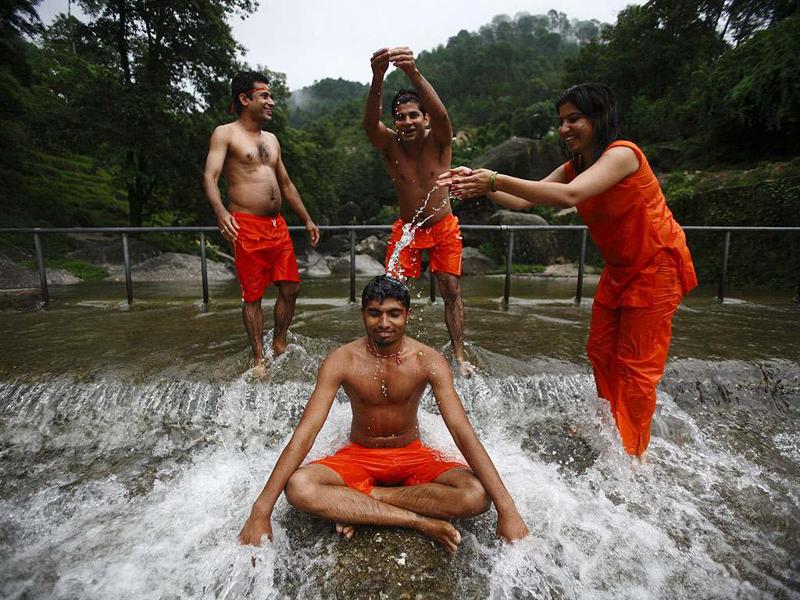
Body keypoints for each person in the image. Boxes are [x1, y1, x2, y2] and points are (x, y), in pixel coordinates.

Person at [438, 83, 697, 461]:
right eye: (561, 121)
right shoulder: (576, 165)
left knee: (636, 365)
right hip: (620, 269)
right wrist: (478, 183)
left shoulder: (623, 155)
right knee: (601, 351)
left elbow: (570, 196)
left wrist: (495, 178)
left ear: (598, 118)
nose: (565, 129)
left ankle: (631, 454)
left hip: (657, 266)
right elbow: (524, 200)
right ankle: (612, 425)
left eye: (574, 119)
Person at [238, 275, 529, 552]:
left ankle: (361, 503)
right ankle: (417, 521)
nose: (384, 323)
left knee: (476, 495)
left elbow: (461, 430)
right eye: (375, 313)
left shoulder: (428, 360)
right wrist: (260, 509)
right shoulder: (341, 360)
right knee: (299, 487)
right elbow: (307, 431)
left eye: (394, 313)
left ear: (408, 315)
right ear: (363, 314)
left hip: (413, 455)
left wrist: (508, 508)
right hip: (359, 456)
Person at [363, 47, 474, 377]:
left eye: (414, 115)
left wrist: (413, 72)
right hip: (408, 230)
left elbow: (443, 117)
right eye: (401, 116)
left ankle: (458, 353)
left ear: (424, 118)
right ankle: (390, 351)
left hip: (442, 225)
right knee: (389, 293)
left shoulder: (439, 140)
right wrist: (377, 76)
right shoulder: (391, 145)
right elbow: (369, 124)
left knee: (451, 290)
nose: (407, 121)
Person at [203, 71, 320, 376]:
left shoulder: (272, 139)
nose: (272, 101)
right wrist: (220, 213)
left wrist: (306, 219)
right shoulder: (225, 133)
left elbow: (287, 183)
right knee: (252, 296)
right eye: (265, 95)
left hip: (276, 226)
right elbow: (210, 177)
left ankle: (279, 341)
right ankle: (259, 357)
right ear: (245, 99)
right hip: (245, 225)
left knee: (291, 287)